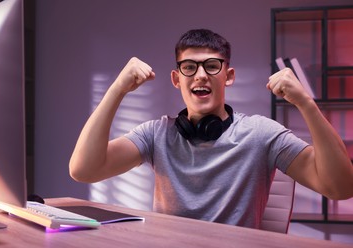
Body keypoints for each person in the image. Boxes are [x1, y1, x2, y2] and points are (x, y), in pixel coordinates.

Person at [69, 29, 353, 229]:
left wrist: (305, 102)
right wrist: (118, 89)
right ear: (176, 78)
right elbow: (84, 170)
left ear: (228, 76)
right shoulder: (156, 134)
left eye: (212, 66)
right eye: (189, 67)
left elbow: (340, 187)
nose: (201, 75)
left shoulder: (261, 134)